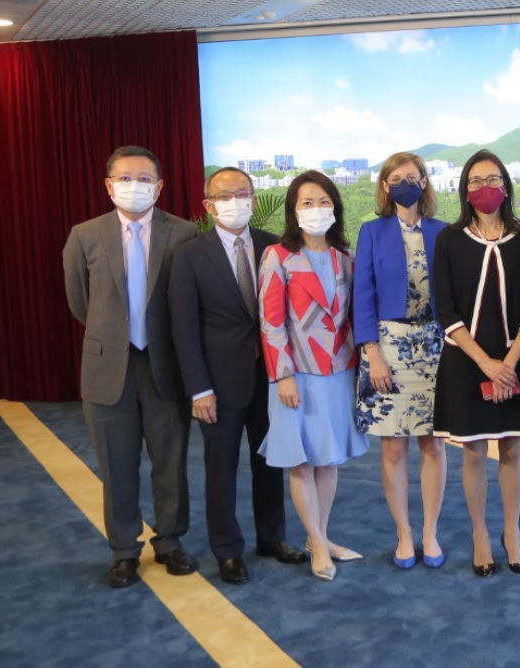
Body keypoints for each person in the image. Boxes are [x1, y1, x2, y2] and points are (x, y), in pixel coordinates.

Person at [63, 145, 199, 588]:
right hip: (108, 370)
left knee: (170, 460)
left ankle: (171, 541)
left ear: (159, 186)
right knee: (116, 466)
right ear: (108, 186)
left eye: (144, 179)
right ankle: (124, 550)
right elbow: (80, 302)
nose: (134, 186)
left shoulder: (182, 234)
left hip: (166, 368)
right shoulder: (84, 235)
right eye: (125, 178)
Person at [169, 167, 306, 585]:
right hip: (218, 383)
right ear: (209, 205)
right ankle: (227, 550)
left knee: (270, 462)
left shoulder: (273, 247)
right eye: (225, 196)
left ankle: (272, 538)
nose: (236, 202)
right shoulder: (189, 256)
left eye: (243, 193)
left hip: (270, 378)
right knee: (221, 469)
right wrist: (199, 389)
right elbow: (184, 329)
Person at [433, 150, 520, 577]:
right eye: (476, 181)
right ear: (465, 188)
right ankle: (480, 534)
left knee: (513, 449)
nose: (486, 188)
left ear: (506, 185)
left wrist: (508, 363)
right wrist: (486, 363)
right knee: (473, 451)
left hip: (516, 358)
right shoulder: (448, 240)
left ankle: (512, 532)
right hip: (467, 361)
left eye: (494, 179)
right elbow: (445, 309)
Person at [258, 171, 368, 581]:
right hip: (296, 374)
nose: (316, 210)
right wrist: (282, 375)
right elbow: (270, 322)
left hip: (340, 371)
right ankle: (318, 543)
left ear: (335, 207)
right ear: (293, 210)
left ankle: (319, 535)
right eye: (306, 203)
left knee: (328, 458)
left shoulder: (347, 256)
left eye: (323, 202)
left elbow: (358, 315)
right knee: (301, 462)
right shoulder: (278, 256)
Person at [352, 152, 449, 570]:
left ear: (424, 182)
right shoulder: (371, 232)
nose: (405, 182)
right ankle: (404, 534)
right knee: (393, 447)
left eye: (412, 176)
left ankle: (429, 532)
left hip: (437, 344)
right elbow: (363, 295)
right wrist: (372, 353)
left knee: (433, 443)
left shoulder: (444, 232)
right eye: (396, 177)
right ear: (385, 186)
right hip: (388, 347)